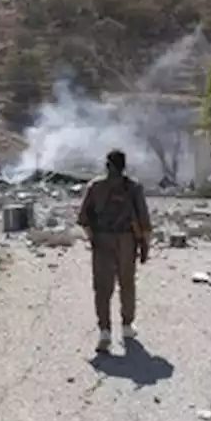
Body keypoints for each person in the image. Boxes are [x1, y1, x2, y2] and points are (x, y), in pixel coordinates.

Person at [77, 149, 151, 353]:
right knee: (126, 283)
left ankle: (104, 331)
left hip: (102, 239)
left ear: (106, 165)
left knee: (102, 287)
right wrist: (145, 246)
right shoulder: (133, 187)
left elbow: (83, 219)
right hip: (127, 240)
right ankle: (127, 326)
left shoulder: (95, 186)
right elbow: (144, 223)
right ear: (124, 166)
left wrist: (94, 240)